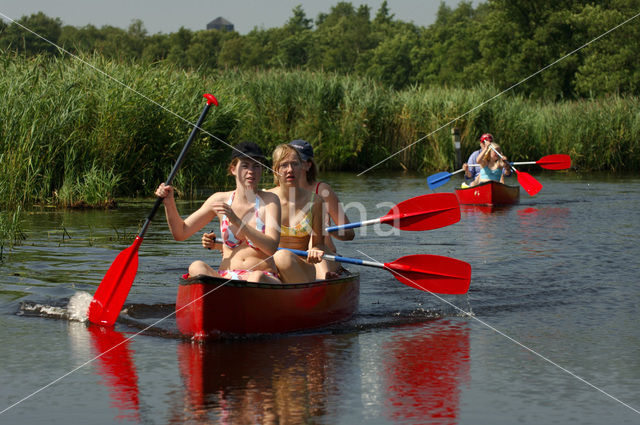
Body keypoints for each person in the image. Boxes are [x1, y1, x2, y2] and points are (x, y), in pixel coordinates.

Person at [156, 141, 282, 283]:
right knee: (196, 267)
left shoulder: (271, 200)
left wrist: (237, 221)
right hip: (227, 277)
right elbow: (181, 232)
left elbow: (271, 248)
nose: (251, 171)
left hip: (263, 277)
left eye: (256, 166)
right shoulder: (219, 199)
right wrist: (169, 202)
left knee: (256, 277)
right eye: (245, 166)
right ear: (233, 169)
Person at [289, 139, 354, 273]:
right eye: (287, 162)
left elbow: (349, 234)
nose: (291, 168)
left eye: (296, 162)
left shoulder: (323, 191)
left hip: (325, 256)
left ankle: (323, 277)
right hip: (293, 256)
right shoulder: (275, 193)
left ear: (308, 165)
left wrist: (327, 229)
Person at [268, 143, 329, 283]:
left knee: (282, 256)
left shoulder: (316, 201)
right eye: (284, 165)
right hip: (271, 267)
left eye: (295, 164)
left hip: (303, 267)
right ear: (275, 170)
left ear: (302, 167)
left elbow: (319, 244)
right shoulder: (264, 199)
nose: (290, 170)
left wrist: (315, 249)